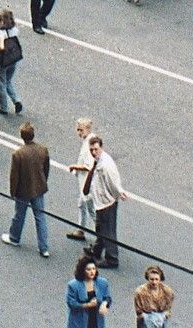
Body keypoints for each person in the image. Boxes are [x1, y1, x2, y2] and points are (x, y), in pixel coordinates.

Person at [2, 122, 51, 257]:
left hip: (23, 191)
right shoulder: (43, 149)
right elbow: (46, 168)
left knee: (19, 215)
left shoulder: (18, 154)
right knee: (40, 217)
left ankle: (14, 237)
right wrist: (43, 181)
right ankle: (44, 247)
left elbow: (14, 176)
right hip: (39, 188)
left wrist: (13, 192)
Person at [84, 136, 128, 268]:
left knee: (108, 231)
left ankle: (112, 258)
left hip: (107, 202)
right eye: (91, 149)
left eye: (96, 149)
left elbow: (113, 182)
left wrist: (118, 193)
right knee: (100, 227)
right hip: (101, 201)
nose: (93, 152)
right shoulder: (98, 161)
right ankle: (96, 250)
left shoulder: (106, 165)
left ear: (101, 148)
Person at [66, 257, 112, 328]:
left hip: (96, 319)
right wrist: (88, 305)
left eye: (94, 269)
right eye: (88, 269)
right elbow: (72, 304)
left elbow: (107, 297)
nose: (92, 272)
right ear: (82, 270)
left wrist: (105, 303)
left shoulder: (102, 282)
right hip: (80, 321)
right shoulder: (73, 285)